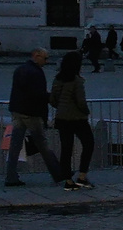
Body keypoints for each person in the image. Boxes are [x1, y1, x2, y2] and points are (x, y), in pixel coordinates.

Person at [3, 48, 64, 187]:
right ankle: (58, 173)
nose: (46, 61)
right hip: (31, 113)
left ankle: (10, 176)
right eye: (45, 58)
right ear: (36, 56)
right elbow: (39, 95)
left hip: (17, 111)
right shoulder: (36, 73)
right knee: (42, 144)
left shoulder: (20, 69)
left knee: (15, 145)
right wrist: (51, 100)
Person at [50, 51, 95, 190]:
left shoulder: (57, 79)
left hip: (61, 118)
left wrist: (62, 107)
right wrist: (86, 111)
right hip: (77, 118)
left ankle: (68, 181)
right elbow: (81, 101)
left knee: (66, 149)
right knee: (89, 143)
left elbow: (52, 100)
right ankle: (82, 176)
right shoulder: (77, 80)